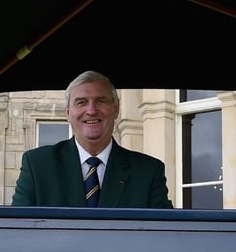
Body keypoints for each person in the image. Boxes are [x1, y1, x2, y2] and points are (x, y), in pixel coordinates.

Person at [12, 71, 173, 208]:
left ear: (115, 109)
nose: (91, 110)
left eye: (100, 101)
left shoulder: (148, 172)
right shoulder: (37, 166)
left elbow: (166, 230)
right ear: (68, 113)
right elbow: (16, 228)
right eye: (81, 102)